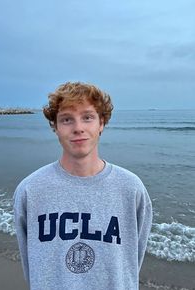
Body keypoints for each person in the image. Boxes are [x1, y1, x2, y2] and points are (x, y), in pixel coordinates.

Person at [13, 81, 152, 290]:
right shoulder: (30, 190)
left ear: (101, 123)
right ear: (56, 128)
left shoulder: (131, 189)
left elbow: (133, 259)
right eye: (67, 119)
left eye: (87, 117)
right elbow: (29, 264)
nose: (78, 128)